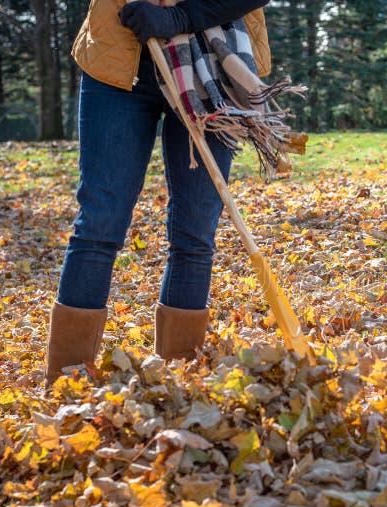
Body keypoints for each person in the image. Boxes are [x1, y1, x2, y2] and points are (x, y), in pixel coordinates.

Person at [45, 0, 272, 386]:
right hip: (119, 55)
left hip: (214, 63)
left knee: (196, 231)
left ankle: (178, 379)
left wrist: (181, 17)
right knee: (100, 222)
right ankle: (67, 383)